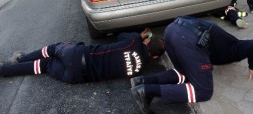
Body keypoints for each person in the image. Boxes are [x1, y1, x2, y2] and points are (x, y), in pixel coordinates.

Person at [129, 16, 253, 113]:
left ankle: (142, 81)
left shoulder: (223, 39)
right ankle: (146, 92)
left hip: (172, 29)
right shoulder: (235, 48)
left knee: (183, 73)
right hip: (188, 39)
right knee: (203, 91)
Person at [0, 29, 165, 84]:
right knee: (46, 66)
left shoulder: (134, 40)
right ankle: (4, 70)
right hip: (76, 76)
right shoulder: (139, 69)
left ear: (147, 40)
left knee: (52, 49)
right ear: (155, 57)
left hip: (77, 54)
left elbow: (120, 36)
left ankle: (21, 59)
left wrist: (140, 34)